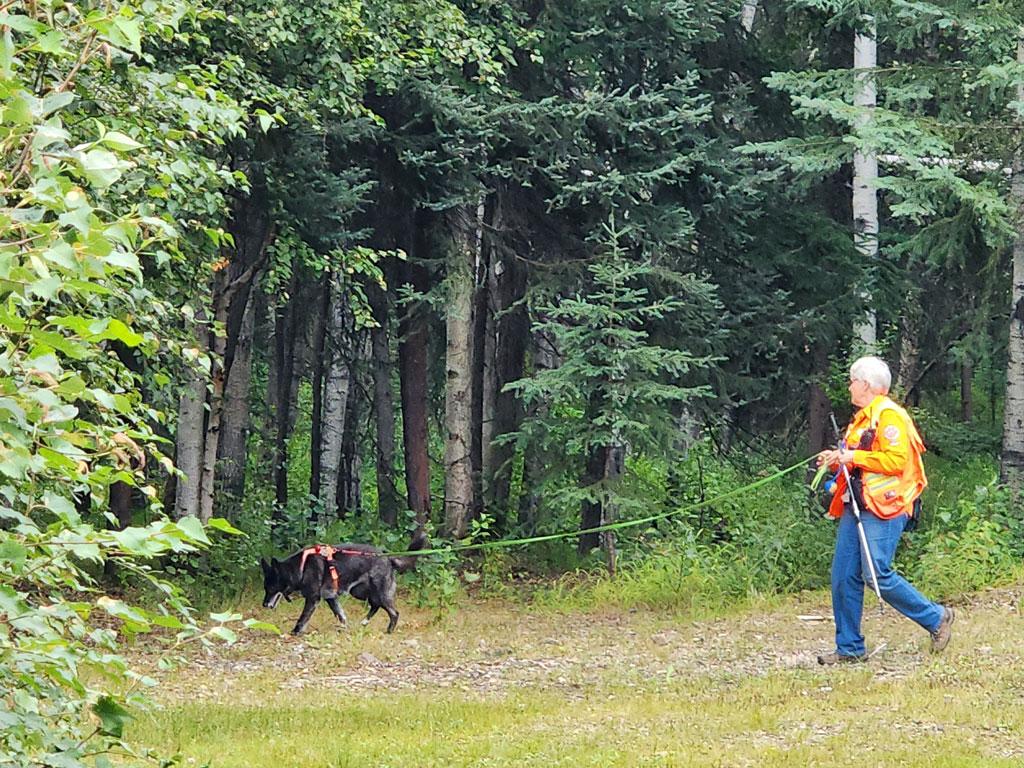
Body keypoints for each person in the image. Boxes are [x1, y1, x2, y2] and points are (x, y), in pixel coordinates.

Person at [816, 355, 954, 664]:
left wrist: (851, 458)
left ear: (865, 384)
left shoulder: (890, 416)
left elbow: (894, 461)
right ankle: (849, 648)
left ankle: (937, 617)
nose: (849, 386)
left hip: (887, 506)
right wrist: (837, 458)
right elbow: (859, 456)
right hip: (860, 504)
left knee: (876, 573)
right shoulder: (864, 417)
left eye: (852, 381)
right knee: (843, 575)